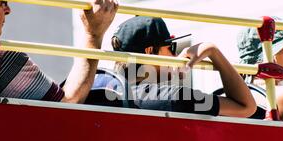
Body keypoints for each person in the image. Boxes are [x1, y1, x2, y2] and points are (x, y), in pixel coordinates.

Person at [109, 16, 256, 117]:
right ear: (149, 51)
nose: (175, 56)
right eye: (171, 47)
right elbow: (246, 107)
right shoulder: (176, 96)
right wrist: (213, 51)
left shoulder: (106, 92)